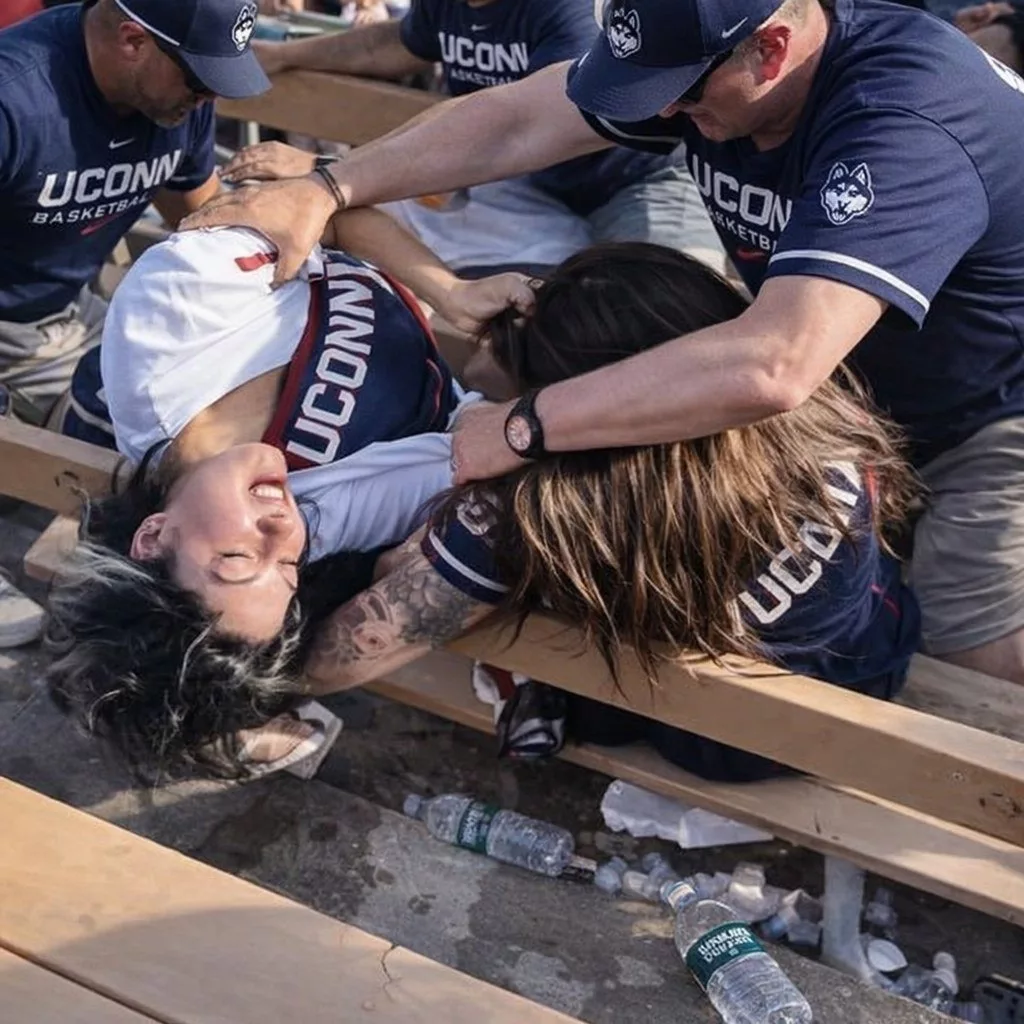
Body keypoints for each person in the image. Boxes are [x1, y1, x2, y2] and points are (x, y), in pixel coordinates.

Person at [185, 0, 1024, 686]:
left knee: (967, 645)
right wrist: (331, 187)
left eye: (683, 94)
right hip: (858, 381)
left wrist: (524, 426)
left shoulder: (904, 120)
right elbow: (517, 119)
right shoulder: (712, 51)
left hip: (987, 406)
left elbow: (775, 362)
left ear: (771, 49)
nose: (660, 114)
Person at [295, 243, 921, 782]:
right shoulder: (799, 394)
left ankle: (539, 697)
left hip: (732, 740)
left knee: (415, 568)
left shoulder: (537, 512)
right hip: (880, 630)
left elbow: (339, 657)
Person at [44, 205, 529, 776]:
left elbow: (326, 211)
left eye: (238, 557)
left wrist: (447, 290)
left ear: (153, 535)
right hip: (488, 319)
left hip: (435, 237)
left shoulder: (169, 322)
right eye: (289, 569)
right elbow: (491, 461)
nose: (284, 532)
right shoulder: (323, 516)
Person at [0, 0, 270, 647]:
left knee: (185, 433)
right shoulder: (16, 100)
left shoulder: (173, 103)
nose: (208, 99)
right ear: (132, 41)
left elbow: (197, 217)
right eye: (200, 79)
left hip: (68, 314)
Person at [228, 0, 725, 275]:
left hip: (629, 180)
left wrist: (326, 173)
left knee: (657, 312)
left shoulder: (565, 11)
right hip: (518, 180)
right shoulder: (448, 7)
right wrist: (288, 55)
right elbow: (392, 44)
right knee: (356, 229)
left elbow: (516, 123)